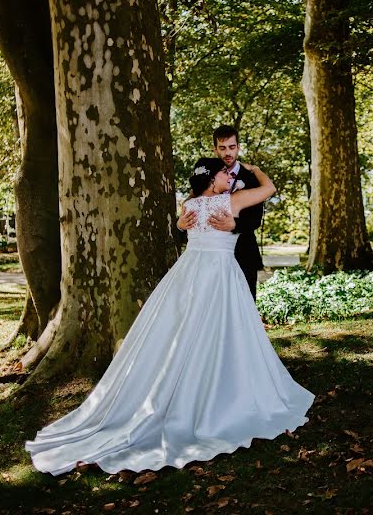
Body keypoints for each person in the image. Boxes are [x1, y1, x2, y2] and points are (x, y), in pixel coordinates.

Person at [25, 157, 314, 476]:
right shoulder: (232, 200)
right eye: (223, 173)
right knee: (224, 332)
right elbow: (270, 188)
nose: (228, 176)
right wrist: (254, 170)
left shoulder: (189, 205)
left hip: (188, 273)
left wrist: (180, 225)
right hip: (218, 274)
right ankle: (223, 393)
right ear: (212, 179)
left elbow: (184, 229)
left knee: (183, 332)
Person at [177, 125, 264, 299]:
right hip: (210, 262)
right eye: (222, 148)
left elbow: (255, 219)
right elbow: (191, 204)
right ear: (215, 149)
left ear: (238, 147)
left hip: (243, 253)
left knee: (243, 307)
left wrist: (235, 224)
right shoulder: (205, 174)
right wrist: (180, 225)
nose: (227, 153)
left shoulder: (250, 178)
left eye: (232, 147)